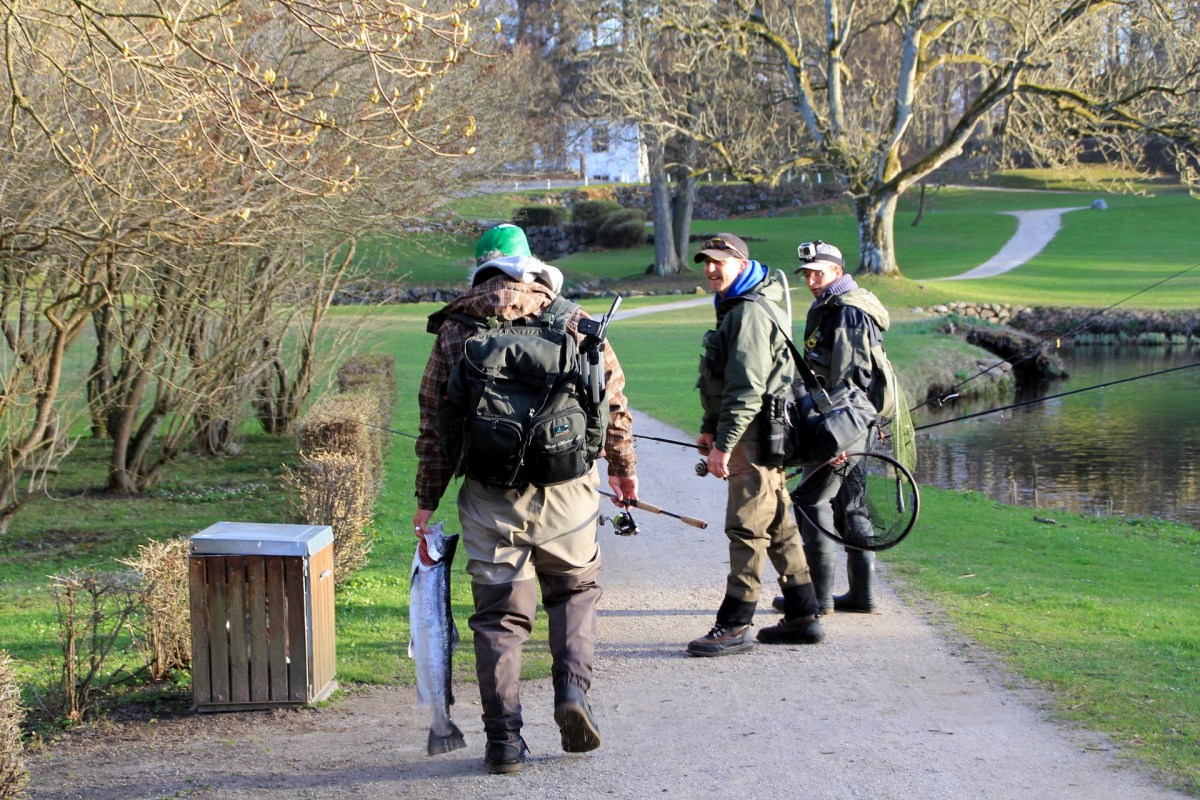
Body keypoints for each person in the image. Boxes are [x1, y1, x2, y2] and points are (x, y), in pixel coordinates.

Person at [413, 223, 639, 774]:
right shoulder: (576, 320)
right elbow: (613, 405)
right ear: (531, 266)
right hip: (568, 491)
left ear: (481, 270)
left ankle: (503, 741)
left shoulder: (455, 329)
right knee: (574, 593)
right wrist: (623, 471)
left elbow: (435, 420)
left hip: (490, 495)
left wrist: (427, 497)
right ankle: (572, 694)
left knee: (498, 620)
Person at [689, 232, 825, 657]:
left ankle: (735, 623)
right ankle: (803, 614)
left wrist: (724, 445)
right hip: (760, 430)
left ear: (741, 263)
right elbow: (724, 378)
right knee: (779, 520)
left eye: (719, 262)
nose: (711, 270)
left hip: (753, 432)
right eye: (706, 262)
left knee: (746, 525)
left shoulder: (747, 312)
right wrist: (711, 426)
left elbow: (746, 389)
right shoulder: (740, 303)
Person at [790, 240, 890, 614]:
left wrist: (840, 436)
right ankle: (861, 596)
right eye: (808, 274)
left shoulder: (847, 312)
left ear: (837, 271)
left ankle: (819, 597)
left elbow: (849, 381)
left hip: (844, 423)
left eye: (819, 272)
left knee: (810, 500)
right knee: (851, 505)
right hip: (855, 421)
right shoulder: (836, 305)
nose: (812, 280)